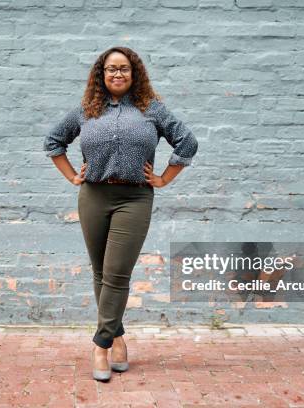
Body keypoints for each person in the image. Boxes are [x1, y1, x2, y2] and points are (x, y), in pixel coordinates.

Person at [43, 46, 198, 381]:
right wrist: (72, 176)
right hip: (93, 196)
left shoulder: (152, 109)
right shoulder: (87, 110)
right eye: (111, 69)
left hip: (134, 198)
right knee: (101, 273)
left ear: (134, 73)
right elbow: (54, 141)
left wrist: (163, 179)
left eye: (124, 69)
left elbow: (187, 142)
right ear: (102, 73)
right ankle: (119, 338)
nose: (117, 74)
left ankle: (100, 346)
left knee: (116, 274)